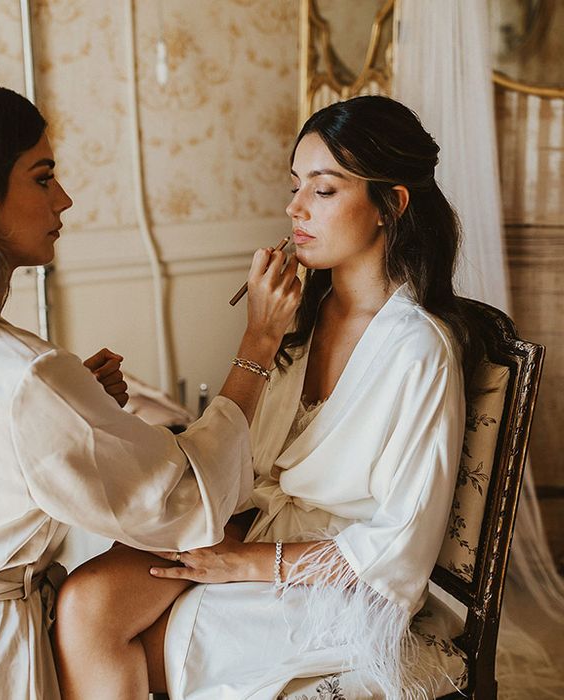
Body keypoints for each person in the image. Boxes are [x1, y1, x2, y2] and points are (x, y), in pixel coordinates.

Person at [0, 74, 302, 700]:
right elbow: (181, 505)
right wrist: (258, 344)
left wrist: (79, 408)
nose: (65, 200)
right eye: (42, 176)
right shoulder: (24, 377)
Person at [53, 95, 489, 700]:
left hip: (332, 582)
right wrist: (259, 338)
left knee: (143, 641)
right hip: (247, 522)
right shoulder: (300, 315)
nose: (294, 207)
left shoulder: (419, 350)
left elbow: (399, 550)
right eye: (295, 186)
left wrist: (249, 564)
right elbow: (244, 457)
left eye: (324, 190)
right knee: (83, 602)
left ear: (392, 204)